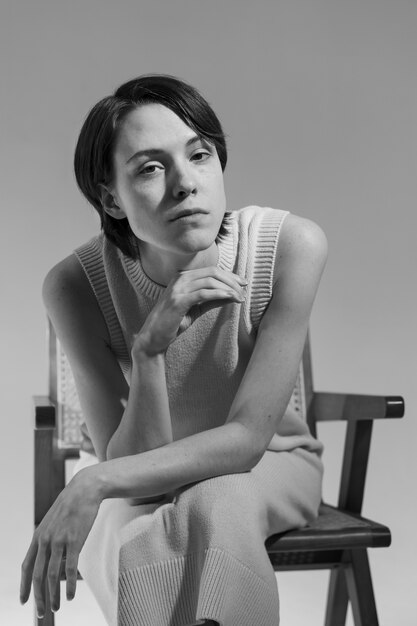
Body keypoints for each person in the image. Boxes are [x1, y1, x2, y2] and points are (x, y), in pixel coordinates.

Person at [20, 74, 328, 626]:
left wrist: (93, 479)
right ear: (110, 197)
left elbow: (246, 443)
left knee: (216, 499)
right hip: (138, 480)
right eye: (150, 167)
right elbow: (140, 476)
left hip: (270, 465)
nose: (186, 183)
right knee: (139, 526)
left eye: (200, 155)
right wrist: (148, 351)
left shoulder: (287, 247)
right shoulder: (75, 285)